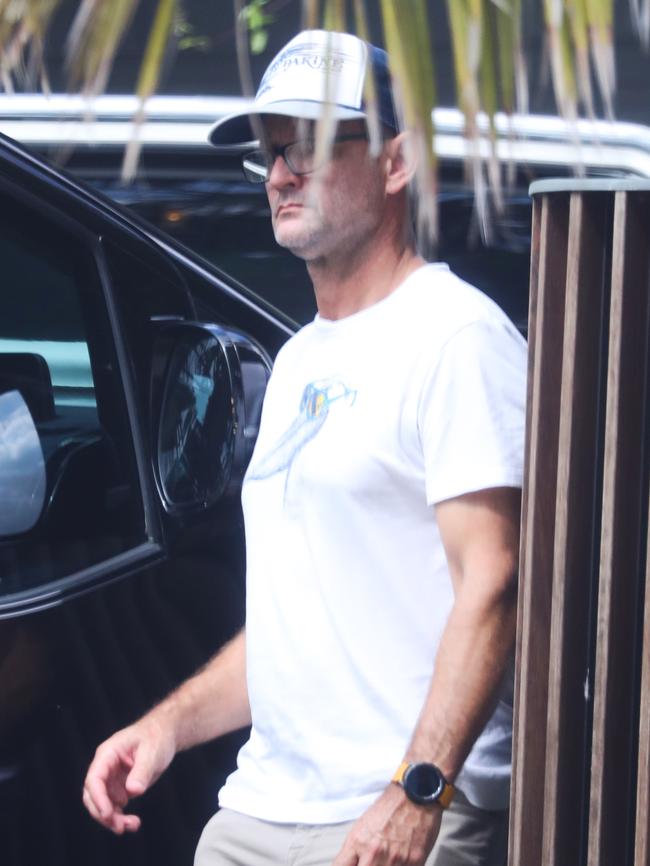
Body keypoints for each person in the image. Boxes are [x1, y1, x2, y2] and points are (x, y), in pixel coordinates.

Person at [83, 29, 527, 866]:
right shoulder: (297, 362)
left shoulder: (457, 337)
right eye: (272, 152)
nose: (282, 173)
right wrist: (165, 727)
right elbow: (298, 628)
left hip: (394, 811)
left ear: (397, 162)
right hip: (260, 810)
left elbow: (495, 582)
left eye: (312, 145)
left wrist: (416, 792)